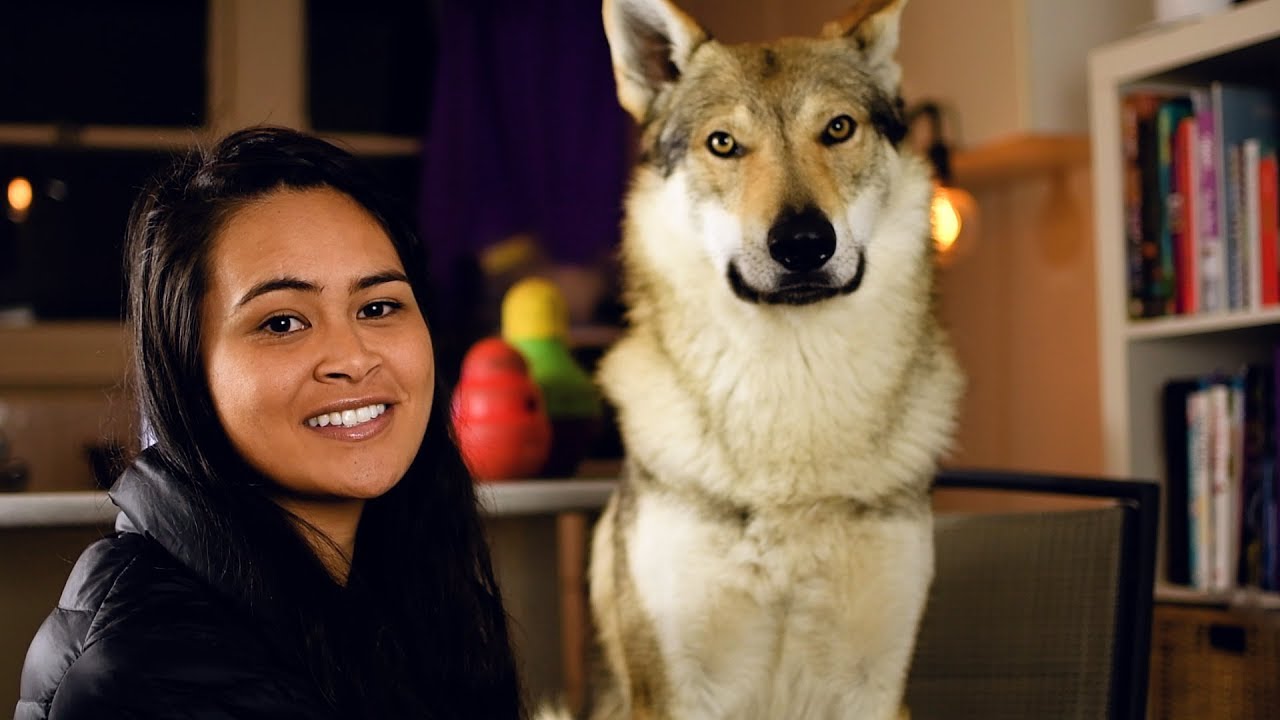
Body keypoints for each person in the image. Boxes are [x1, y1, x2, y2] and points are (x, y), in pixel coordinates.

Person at [16, 127, 526, 719]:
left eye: (377, 307)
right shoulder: (153, 667)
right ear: (187, 366)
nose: (353, 358)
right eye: (282, 322)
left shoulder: (403, 585)